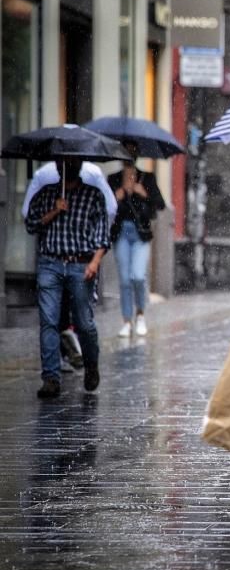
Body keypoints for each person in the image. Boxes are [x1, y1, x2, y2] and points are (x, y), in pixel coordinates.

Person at [25, 159, 110, 399]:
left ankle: (91, 365)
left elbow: (103, 236)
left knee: (84, 323)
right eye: (63, 163)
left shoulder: (93, 196)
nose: (68, 167)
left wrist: (94, 262)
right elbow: (30, 225)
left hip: (80, 265)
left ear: (79, 166)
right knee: (49, 321)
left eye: (72, 163)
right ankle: (51, 377)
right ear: (58, 167)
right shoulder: (46, 194)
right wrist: (54, 211)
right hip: (50, 264)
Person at [107, 145, 165, 338]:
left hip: (140, 233)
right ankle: (126, 320)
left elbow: (160, 204)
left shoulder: (146, 178)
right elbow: (105, 205)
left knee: (138, 276)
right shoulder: (113, 179)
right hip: (121, 232)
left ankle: (140, 314)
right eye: (125, 153)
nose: (129, 157)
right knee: (124, 279)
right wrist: (117, 197)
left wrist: (143, 193)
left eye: (132, 152)